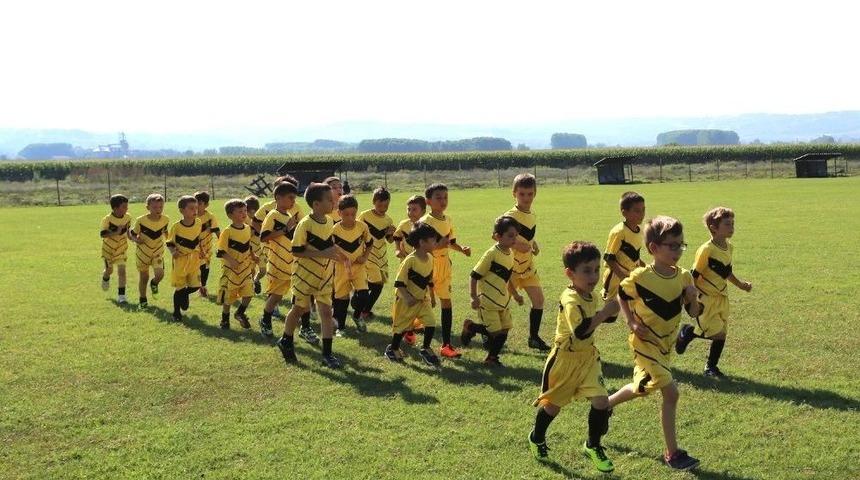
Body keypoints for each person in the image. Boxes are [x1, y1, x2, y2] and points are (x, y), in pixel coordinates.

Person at [607, 216, 702, 471]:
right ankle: (673, 454)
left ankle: (606, 404)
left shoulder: (684, 278)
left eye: (681, 245)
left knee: (643, 387)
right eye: (672, 246)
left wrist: (692, 299)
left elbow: (693, 312)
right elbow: (621, 294)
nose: (678, 251)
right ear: (653, 249)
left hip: (664, 345)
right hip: (644, 343)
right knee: (671, 393)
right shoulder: (640, 277)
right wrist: (631, 323)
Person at [528, 241, 620, 473]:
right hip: (565, 361)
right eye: (587, 271)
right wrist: (606, 312)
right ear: (570, 273)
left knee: (601, 402)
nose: (594, 276)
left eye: (597, 269)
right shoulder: (570, 299)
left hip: (588, 357)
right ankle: (537, 437)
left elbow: (599, 318)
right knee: (553, 407)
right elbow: (581, 330)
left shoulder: (589, 294)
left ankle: (593, 445)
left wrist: (619, 306)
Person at [675, 207, 753, 377]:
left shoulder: (729, 247)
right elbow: (694, 274)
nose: (732, 227)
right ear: (714, 228)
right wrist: (690, 296)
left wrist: (740, 285)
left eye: (733, 223)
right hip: (706, 298)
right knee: (715, 333)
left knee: (721, 334)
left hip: (722, 297)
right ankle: (687, 332)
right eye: (727, 224)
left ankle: (711, 368)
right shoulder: (706, 250)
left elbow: (726, 272)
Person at [276, 183, 345, 368]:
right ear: (316, 204)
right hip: (304, 276)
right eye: (329, 200)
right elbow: (297, 251)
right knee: (299, 310)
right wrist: (323, 254)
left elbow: (329, 245)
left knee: (326, 313)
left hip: (324, 276)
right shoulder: (305, 224)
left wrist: (342, 255)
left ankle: (327, 354)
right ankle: (286, 340)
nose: (334, 202)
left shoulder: (330, 222)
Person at [460, 216, 523, 366]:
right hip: (487, 300)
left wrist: (515, 294)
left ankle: (472, 328)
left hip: (503, 300)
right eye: (510, 236)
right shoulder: (491, 254)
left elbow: (507, 279)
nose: (514, 239)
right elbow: (474, 275)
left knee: (505, 329)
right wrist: (473, 297)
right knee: (495, 333)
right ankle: (491, 358)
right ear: (497, 236)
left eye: (516, 235)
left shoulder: (510, 253)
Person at [419, 183, 471, 358]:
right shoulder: (425, 222)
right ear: (428, 201)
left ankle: (446, 345)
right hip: (428, 265)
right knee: (421, 304)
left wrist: (461, 249)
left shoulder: (448, 220)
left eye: (445, 197)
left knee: (446, 303)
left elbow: (450, 241)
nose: (443, 201)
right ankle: (409, 329)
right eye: (438, 198)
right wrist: (435, 246)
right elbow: (418, 247)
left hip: (444, 266)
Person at [386, 222, 441, 366]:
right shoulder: (409, 261)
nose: (435, 242)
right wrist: (408, 297)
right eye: (433, 240)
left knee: (430, 322)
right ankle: (393, 349)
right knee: (401, 327)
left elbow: (429, 280)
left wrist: (432, 297)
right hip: (406, 301)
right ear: (422, 242)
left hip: (422, 301)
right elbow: (399, 283)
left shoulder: (430, 258)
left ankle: (426, 349)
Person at [215, 199, 256, 329]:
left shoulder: (248, 228)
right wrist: (231, 261)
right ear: (230, 215)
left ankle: (240, 312)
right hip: (231, 270)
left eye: (245, 211)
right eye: (240, 212)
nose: (244, 214)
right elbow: (220, 251)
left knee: (249, 293)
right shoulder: (227, 232)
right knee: (229, 297)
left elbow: (248, 245)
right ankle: (225, 319)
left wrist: (253, 255)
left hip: (245, 268)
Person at [166, 195, 204, 322]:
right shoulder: (176, 227)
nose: (195, 211)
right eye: (191, 208)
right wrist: (173, 252)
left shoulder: (198, 222)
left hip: (194, 259)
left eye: (196, 208)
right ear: (182, 211)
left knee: (195, 286)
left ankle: (184, 294)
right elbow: (169, 242)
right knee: (179, 287)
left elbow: (198, 239)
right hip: (180, 261)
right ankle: (176, 313)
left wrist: (202, 251)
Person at [129, 193, 169, 308]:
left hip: (157, 252)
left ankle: (154, 283)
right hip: (143, 254)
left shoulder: (166, 219)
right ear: (148, 207)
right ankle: (143, 298)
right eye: (155, 207)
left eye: (161, 207)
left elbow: (166, 233)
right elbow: (132, 235)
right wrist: (137, 241)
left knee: (160, 274)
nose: (158, 209)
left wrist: (171, 241)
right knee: (144, 277)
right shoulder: (141, 221)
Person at [100, 194, 133, 303]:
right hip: (108, 249)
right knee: (110, 270)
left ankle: (121, 296)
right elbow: (103, 234)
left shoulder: (128, 217)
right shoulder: (107, 219)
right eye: (124, 207)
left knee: (122, 272)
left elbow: (128, 231)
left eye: (127, 206)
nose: (126, 208)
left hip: (121, 248)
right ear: (115, 208)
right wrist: (116, 232)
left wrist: (134, 238)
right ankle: (105, 277)